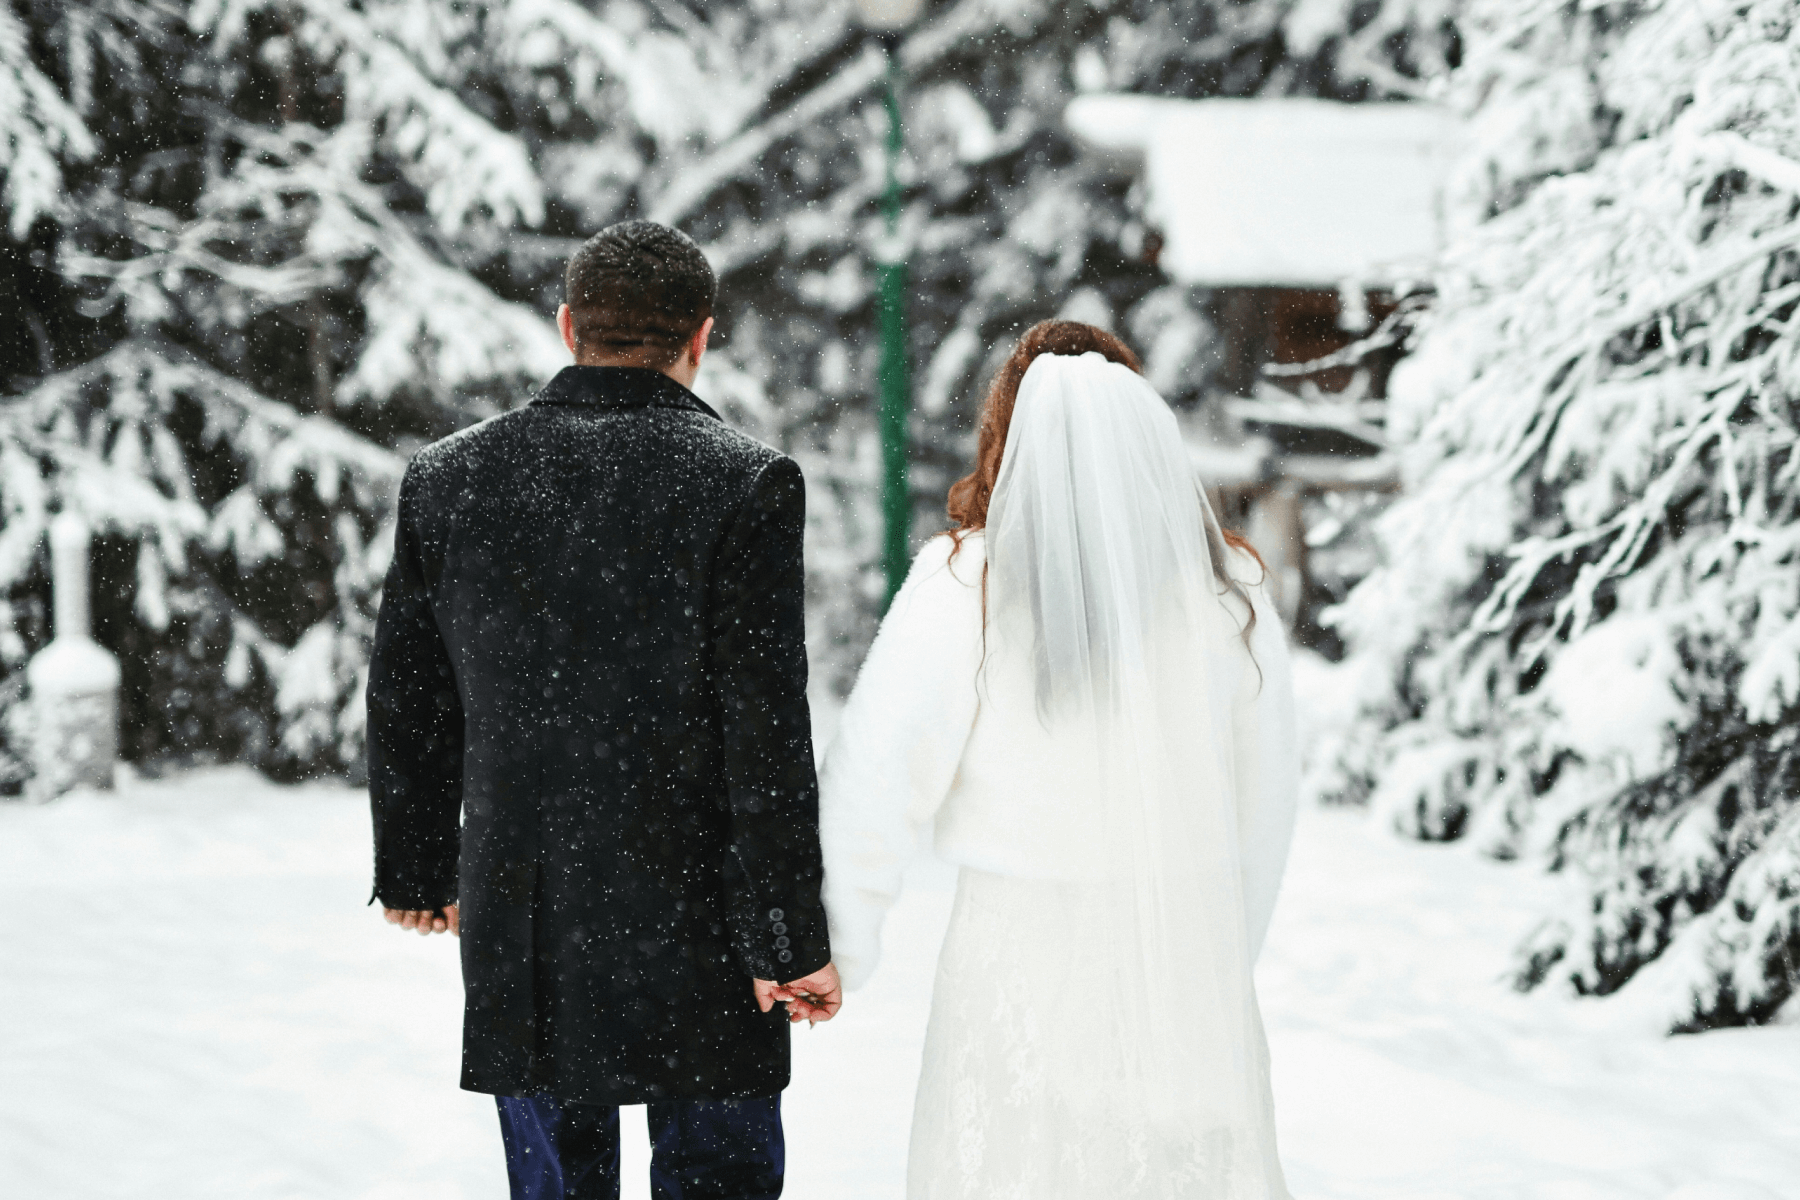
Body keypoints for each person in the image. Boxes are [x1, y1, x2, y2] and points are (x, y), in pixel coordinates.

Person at [366, 219, 842, 1200]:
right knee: (720, 1179)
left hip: (525, 901)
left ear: (569, 323)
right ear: (700, 338)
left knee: (554, 1185)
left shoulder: (448, 479)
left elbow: (410, 693)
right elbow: (767, 734)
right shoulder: (744, 482)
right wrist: (789, 939)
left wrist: (416, 866)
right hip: (701, 911)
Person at [819, 321, 1299, 1198]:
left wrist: (838, 944)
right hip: (1182, 945)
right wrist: (1223, 950)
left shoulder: (966, 584)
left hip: (1019, 952)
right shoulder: (1231, 595)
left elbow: (876, 780)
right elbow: (1266, 801)